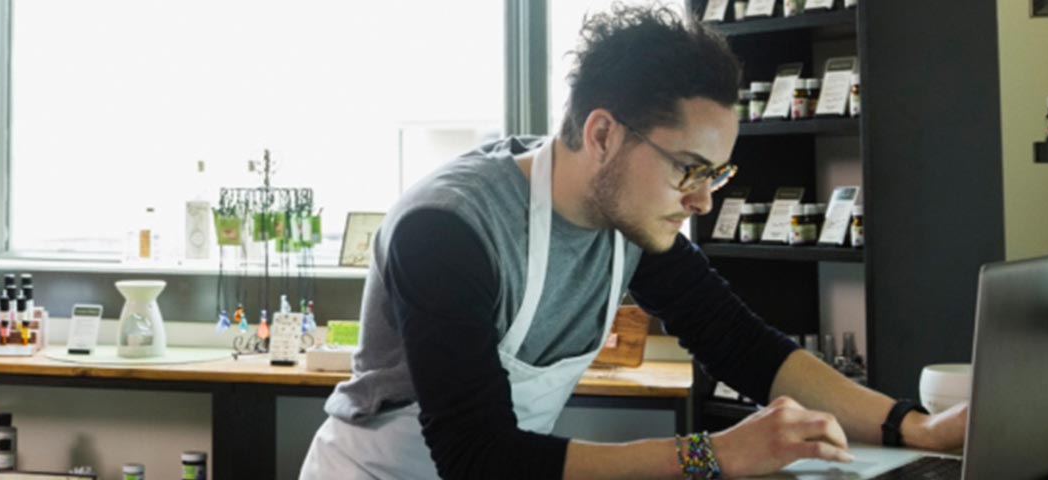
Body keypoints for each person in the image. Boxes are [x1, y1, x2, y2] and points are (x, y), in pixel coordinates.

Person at [297, 5, 968, 479]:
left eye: (717, 173)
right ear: (602, 134)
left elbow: (741, 342)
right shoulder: (447, 230)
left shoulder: (630, 219)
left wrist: (915, 427)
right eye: (689, 169)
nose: (704, 199)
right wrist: (713, 455)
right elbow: (481, 458)